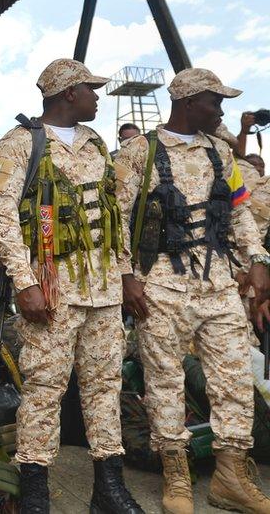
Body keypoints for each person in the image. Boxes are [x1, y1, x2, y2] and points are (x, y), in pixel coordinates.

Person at [0, 59, 142, 514]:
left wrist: (127, 273)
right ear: (68, 93)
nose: (97, 97)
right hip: (52, 293)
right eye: (91, 90)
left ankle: (108, 487)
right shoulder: (20, 145)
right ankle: (35, 490)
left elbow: (113, 219)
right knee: (44, 388)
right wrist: (24, 282)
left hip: (105, 290)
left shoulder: (96, 144)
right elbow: (2, 219)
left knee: (104, 387)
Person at [116, 68, 270, 514]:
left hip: (218, 279)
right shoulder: (137, 154)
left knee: (235, 378)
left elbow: (239, 211)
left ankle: (230, 476)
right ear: (188, 103)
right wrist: (128, 277)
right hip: (161, 281)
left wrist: (258, 259)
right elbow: (118, 223)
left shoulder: (220, 152)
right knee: (164, 380)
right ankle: (176, 477)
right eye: (213, 102)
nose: (220, 111)